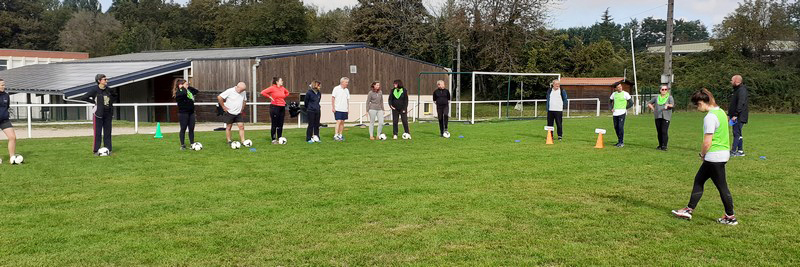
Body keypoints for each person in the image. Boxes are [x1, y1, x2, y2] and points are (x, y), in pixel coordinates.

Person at [672, 88, 737, 225]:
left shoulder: (710, 117)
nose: (697, 108)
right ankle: (688, 209)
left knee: (721, 187)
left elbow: (707, 141)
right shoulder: (721, 113)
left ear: (703, 102)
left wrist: (703, 154)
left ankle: (730, 217)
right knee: (699, 180)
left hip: (714, 156)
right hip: (723, 153)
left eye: (697, 104)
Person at [78, 74, 118, 155]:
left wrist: (110, 103)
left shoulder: (109, 90)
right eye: (104, 79)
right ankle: (96, 150)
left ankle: (108, 149)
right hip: (98, 114)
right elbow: (83, 97)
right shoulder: (94, 90)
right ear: (99, 81)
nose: (106, 81)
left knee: (107, 132)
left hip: (108, 114)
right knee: (98, 133)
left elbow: (115, 96)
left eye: (106, 79)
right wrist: (94, 102)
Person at [261, 77, 290, 144]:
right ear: (277, 82)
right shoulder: (272, 88)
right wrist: (270, 97)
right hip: (275, 107)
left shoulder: (282, 88)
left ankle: (279, 137)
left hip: (282, 107)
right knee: (274, 123)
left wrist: (282, 98)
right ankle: (273, 139)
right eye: (281, 80)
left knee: (280, 123)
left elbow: (287, 92)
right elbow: (263, 92)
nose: (282, 81)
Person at [173, 78, 199, 150]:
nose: (188, 85)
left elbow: (196, 91)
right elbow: (183, 94)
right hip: (183, 113)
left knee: (191, 129)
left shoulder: (188, 91)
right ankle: (182, 144)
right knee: (183, 128)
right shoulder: (179, 92)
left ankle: (192, 143)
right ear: (180, 85)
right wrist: (183, 87)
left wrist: (188, 87)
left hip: (191, 112)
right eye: (186, 84)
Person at [647, 84, 675, 151]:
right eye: (663, 89)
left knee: (664, 131)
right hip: (657, 116)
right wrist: (653, 109)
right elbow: (649, 103)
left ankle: (664, 146)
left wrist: (668, 105)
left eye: (666, 89)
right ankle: (660, 145)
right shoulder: (656, 97)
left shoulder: (669, 97)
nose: (664, 91)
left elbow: (672, 105)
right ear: (660, 90)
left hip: (666, 116)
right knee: (659, 131)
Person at [728, 75, 749, 157]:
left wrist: (736, 114)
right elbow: (733, 104)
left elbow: (741, 103)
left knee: (736, 133)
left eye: (732, 80)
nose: (731, 82)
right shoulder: (737, 90)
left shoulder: (742, 90)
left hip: (739, 116)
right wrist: (729, 115)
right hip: (736, 115)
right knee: (738, 133)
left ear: (737, 81)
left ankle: (733, 151)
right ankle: (740, 151)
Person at [609, 81, 632, 147]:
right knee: (616, 127)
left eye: (620, 86)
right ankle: (619, 141)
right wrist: (611, 108)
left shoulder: (625, 94)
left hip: (622, 113)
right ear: (615, 88)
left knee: (620, 127)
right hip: (615, 113)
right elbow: (610, 101)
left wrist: (625, 108)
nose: (620, 88)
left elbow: (631, 103)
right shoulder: (614, 94)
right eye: (618, 87)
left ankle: (621, 142)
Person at [0, 79, 18, 162]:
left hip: (4, 120)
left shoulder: (6, 95)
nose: (4, 86)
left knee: (12, 137)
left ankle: (12, 158)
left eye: (4, 85)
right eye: (2, 85)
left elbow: (7, 106)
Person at [331, 77, 350, 141]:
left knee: (342, 122)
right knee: (338, 121)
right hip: (338, 108)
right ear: (342, 82)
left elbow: (347, 100)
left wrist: (348, 108)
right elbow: (333, 98)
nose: (347, 83)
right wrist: (333, 107)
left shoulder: (347, 90)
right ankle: (336, 135)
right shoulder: (336, 89)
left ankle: (340, 134)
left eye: (347, 82)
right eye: (346, 82)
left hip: (344, 109)